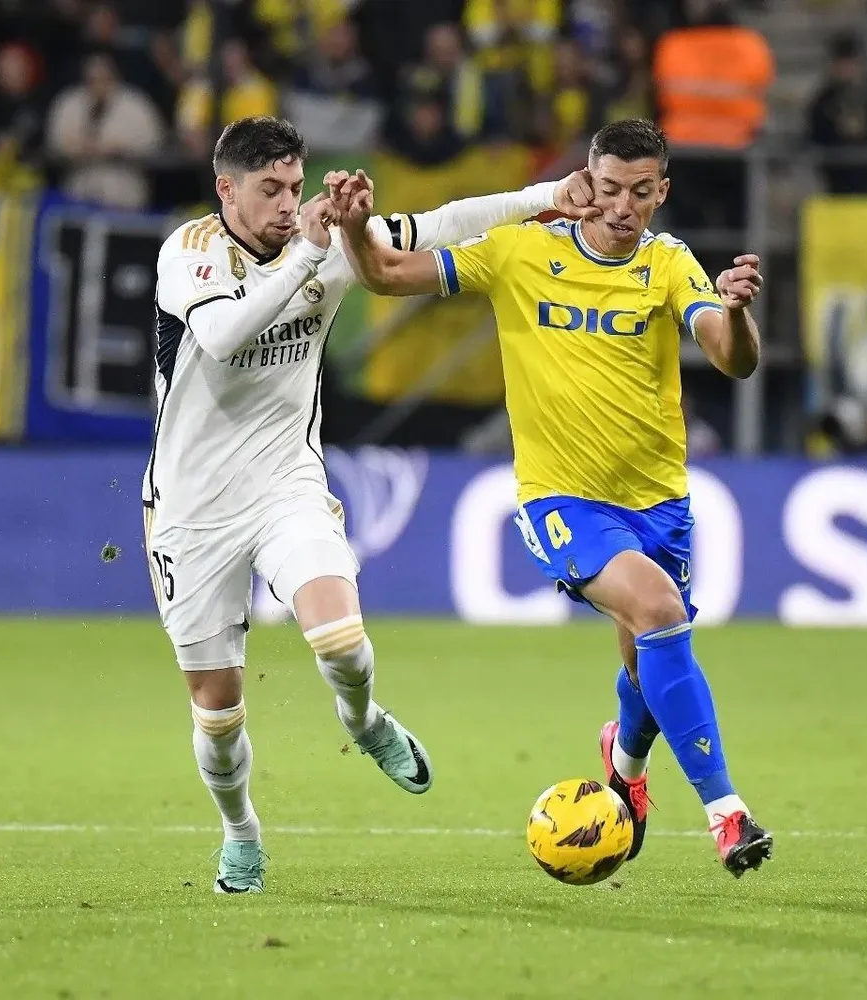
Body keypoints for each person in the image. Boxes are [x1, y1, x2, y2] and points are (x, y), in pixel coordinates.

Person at [144, 114, 596, 893]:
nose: (289, 205)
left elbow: (443, 222)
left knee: (342, 642)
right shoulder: (190, 254)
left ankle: (365, 722)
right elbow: (223, 337)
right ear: (226, 189)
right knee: (218, 717)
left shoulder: (328, 236)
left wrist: (549, 193)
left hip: (287, 484)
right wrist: (316, 255)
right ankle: (241, 832)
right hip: (189, 510)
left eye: (295, 187)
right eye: (269, 189)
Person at [335, 118, 773, 878]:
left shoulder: (669, 264)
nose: (622, 206)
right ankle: (726, 814)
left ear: (660, 193)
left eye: (641, 192)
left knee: (646, 656)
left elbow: (731, 360)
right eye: (609, 188)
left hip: (660, 501)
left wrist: (734, 311)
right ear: (587, 181)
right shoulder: (521, 250)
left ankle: (626, 769)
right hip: (562, 499)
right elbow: (385, 275)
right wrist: (352, 229)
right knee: (662, 611)